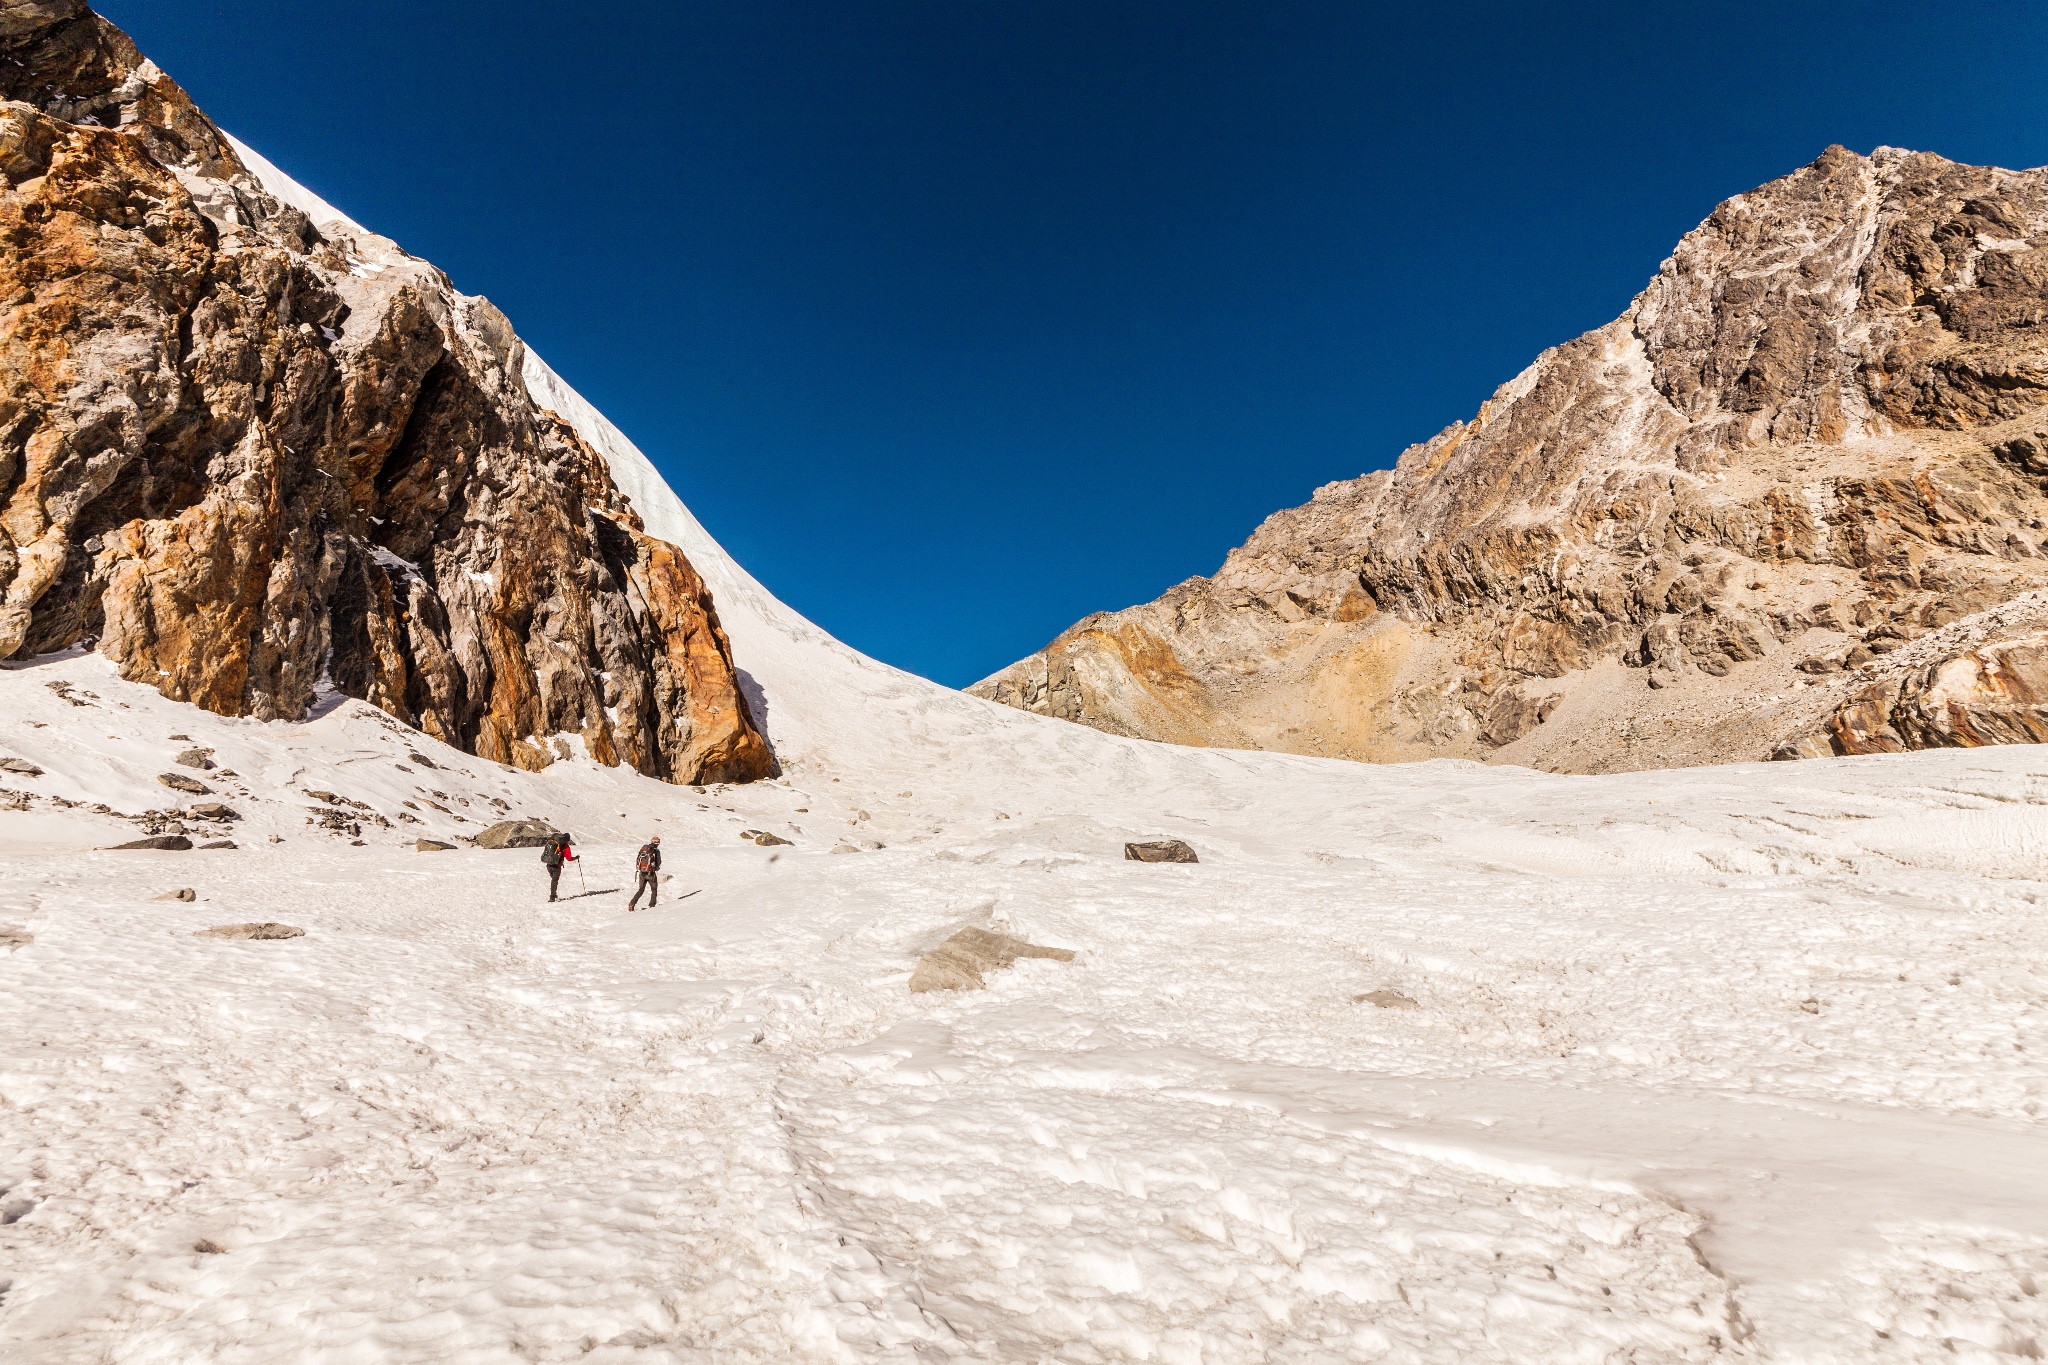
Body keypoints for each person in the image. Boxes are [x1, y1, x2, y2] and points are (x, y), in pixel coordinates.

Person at [628, 835, 662, 911]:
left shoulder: (643, 849)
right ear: (658, 843)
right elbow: (658, 862)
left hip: (642, 873)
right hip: (651, 873)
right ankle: (652, 905)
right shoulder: (655, 850)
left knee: (641, 890)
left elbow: (638, 860)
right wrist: (656, 868)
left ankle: (632, 903)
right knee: (654, 889)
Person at [542, 830, 574, 901]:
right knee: (554, 881)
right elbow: (569, 858)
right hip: (557, 865)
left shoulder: (554, 843)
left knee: (553, 880)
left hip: (549, 864)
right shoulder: (566, 847)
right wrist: (575, 858)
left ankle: (554, 894)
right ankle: (552, 897)